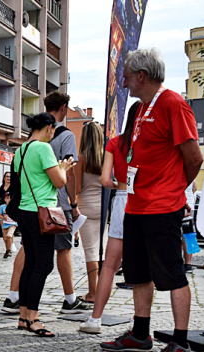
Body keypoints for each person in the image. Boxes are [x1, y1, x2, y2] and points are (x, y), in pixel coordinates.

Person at [98, 48, 203, 352]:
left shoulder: (172, 103)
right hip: (136, 204)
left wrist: (174, 188)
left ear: (141, 76)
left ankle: (181, 342)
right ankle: (140, 334)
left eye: (127, 77)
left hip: (163, 206)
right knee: (139, 272)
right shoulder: (140, 109)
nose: (124, 82)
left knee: (172, 274)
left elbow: (194, 157)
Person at [80, 102, 140, 335]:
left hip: (122, 198)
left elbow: (106, 181)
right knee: (142, 264)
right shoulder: (150, 141)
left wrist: (120, 185)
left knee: (109, 265)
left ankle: (95, 319)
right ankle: (140, 320)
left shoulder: (115, 143)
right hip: (146, 199)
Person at [14, 113, 72, 337]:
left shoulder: (21, 150)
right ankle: (33, 318)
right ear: (49, 128)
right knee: (44, 265)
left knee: (31, 263)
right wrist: (64, 168)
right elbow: (59, 182)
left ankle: (22, 315)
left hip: (25, 211)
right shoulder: (43, 148)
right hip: (42, 213)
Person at [44, 91, 92, 312]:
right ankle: (70, 299)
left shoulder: (35, 134)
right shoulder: (66, 136)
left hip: (36, 200)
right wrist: (73, 204)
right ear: (63, 107)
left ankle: (15, 296)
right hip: (59, 201)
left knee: (30, 248)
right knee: (63, 250)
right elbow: (70, 173)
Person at [74, 121, 105, 303]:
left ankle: (92, 293)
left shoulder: (82, 158)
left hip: (86, 207)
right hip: (104, 208)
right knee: (102, 250)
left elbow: (77, 188)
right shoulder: (107, 157)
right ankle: (101, 290)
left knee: (90, 252)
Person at [183, 180, 197, 272]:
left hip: (179, 204)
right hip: (190, 204)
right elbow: (195, 188)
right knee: (188, 235)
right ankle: (188, 264)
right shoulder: (191, 171)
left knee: (176, 235)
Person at [0, 192, 17, 258]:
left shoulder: (15, 206)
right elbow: (0, 216)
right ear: (4, 199)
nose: (9, 199)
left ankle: (9, 250)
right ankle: (7, 250)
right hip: (5, 224)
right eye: (7, 198)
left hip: (12, 224)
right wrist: (3, 217)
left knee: (9, 236)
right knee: (5, 239)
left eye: (10, 198)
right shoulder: (2, 207)